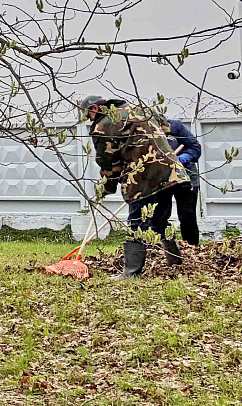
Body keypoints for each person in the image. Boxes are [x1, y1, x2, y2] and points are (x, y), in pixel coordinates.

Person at [82, 95, 189, 279]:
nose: (89, 120)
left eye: (88, 115)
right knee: (159, 220)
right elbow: (165, 128)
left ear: (94, 109)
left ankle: (131, 272)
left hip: (142, 177)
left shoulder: (103, 125)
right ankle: (175, 262)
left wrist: (107, 187)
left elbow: (108, 161)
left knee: (137, 224)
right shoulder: (140, 108)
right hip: (170, 171)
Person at [165, 118, 202, 247]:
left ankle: (192, 248)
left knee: (187, 216)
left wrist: (183, 158)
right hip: (162, 179)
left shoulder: (175, 126)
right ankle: (165, 249)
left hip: (186, 177)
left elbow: (195, 147)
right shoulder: (145, 130)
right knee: (159, 216)